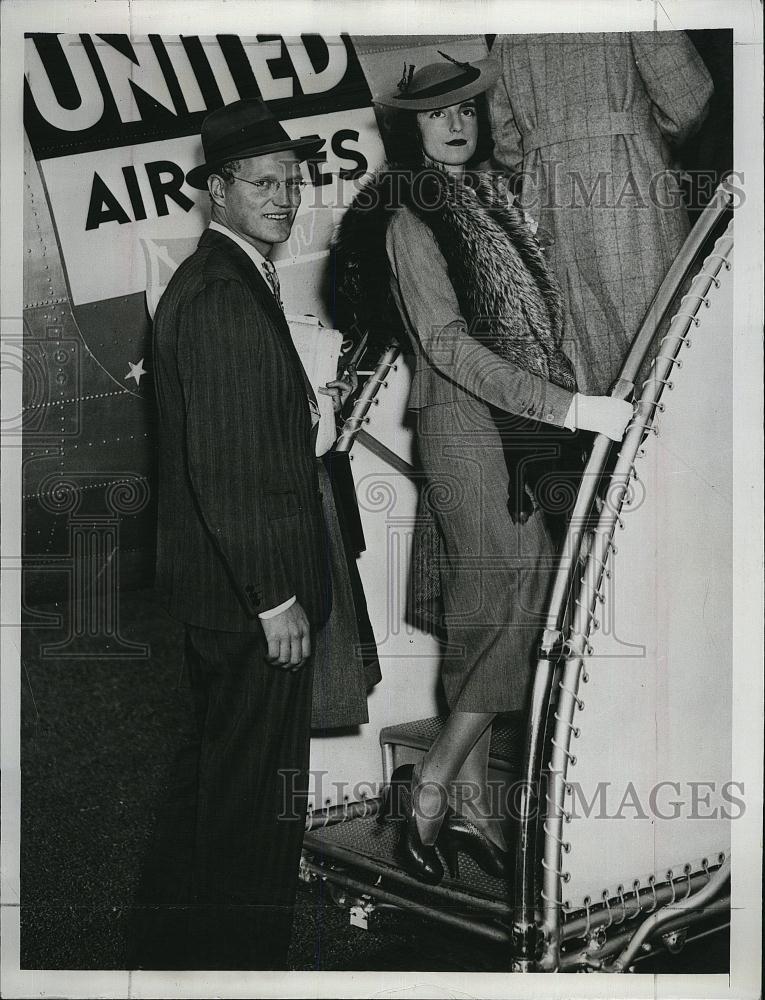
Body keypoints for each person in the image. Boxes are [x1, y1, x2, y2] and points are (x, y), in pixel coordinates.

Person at [333, 53, 632, 885]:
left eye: (467, 108)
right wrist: (565, 408)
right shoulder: (409, 216)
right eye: (437, 115)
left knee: (486, 608)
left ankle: (466, 807)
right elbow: (446, 345)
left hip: (510, 422)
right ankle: (427, 787)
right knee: (511, 596)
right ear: (410, 126)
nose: (457, 124)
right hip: (466, 423)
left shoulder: (492, 195)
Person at [134, 99, 362, 970]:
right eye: (263, 184)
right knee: (254, 806)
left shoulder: (226, 281)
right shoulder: (224, 295)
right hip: (248, 603)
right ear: (217, 192)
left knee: (217, 787)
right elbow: (223, 473)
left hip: (221, 597)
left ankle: (170, 957)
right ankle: (237, 967)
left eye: (293, 182)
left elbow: (238, 436)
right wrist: (273, 599)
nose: (284, 198)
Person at [488, 32, 714, 393]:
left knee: (582, 350)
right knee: (667, 344)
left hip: (547, 198)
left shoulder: (510, 32)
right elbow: (688, 100)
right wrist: (647, 141)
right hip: (631, 183)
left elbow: (505, 142)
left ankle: (604, 447)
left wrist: (542, 161)